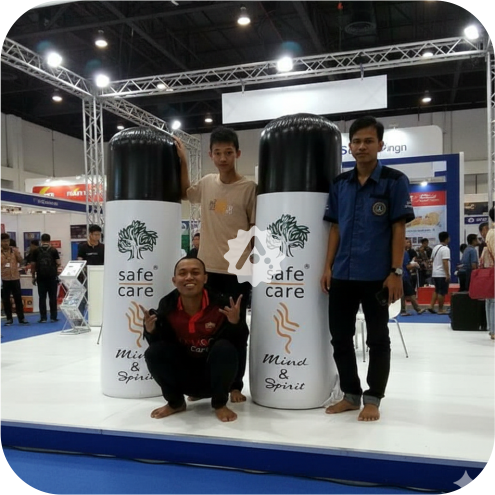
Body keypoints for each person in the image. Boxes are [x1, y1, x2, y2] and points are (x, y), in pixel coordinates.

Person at [320, 116, 415, 422]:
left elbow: (398, 228)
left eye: (368, 141)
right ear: (350, 146)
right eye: (357, 142)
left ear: (380, 145)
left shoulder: (394, 181)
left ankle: (373, 398)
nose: (362, 147)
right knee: (340, 338)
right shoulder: (340, 184)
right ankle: (350, 394)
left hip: (378, 276)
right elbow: (335, 228)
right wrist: (327, 266)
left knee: (377, 339)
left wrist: (396, 272)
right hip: (342, 275)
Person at [179, 127, 256, 403]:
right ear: (211, 155)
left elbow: (255, 230)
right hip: (208, 271)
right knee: (204, 328)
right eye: (218, 153)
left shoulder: (249, 189)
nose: (223, 158)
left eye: (228, 153)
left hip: (237, 272)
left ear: (238, 154)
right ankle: (204, 384)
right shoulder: (207, 183)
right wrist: (184, 160)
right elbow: (184, 192)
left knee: (236, 329)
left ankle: (235, 385)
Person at [141, 257, 249, 422]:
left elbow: (238, 346)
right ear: (174, 280)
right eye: (183, 273)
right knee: (153, 352)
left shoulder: (222, 304)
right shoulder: (168, 305)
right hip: (185, 378)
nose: (189, 277)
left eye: (195, 272)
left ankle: (219, 404)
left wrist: (235, 324)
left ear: (205, 278)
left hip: (215, 378)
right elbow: (162, 347)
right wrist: (151, 331)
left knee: (225, 348)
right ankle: (176, 403)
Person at [31, 233, 61, 323]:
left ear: (41, 240)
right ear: (49, 240)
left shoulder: (36, 251)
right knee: (53, 297)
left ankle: (43, 317)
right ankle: (53, 317)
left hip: (41, 277)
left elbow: (33, 265)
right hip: (52, 277)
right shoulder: (53, 250)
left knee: (42, 298)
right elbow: (58, 263)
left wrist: (33, 276)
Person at [1, 233, 29, 326]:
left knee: (18, 298)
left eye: (7, 241)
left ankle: (21, 318)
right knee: (6, 300)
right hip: (4, 278)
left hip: (15, 278)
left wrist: (22, 263)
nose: (6, 243)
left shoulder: (14, 251)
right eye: (4, 241)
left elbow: (21, 261)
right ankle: (9, 318)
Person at [479, 207, 495, 340]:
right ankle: (493, 329)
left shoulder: (491, 232)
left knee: (490, 300)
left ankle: (492, 328)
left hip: (490, 269)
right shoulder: (493, 233)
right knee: (492, 300)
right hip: (493, 270)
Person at [427, 231, 451, 315]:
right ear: (446, 239)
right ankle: (440, 309)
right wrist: (447, 274)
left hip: (435, 273)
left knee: (437, 290)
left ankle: (431, 306)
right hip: (442, 273)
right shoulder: (445, 249)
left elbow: (432, 260)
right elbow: (445, 262)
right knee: (442, 292)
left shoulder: (435, 248)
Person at [400, 243, 425, 316]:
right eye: (407, 242)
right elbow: (407, 266)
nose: (409, 244)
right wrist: (415, 265)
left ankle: (403, 310)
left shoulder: (399, 252)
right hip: (404, 276)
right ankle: (418, 309)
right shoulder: (404, 253)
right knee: (411, 293)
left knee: (402, 294)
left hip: (400, 275)